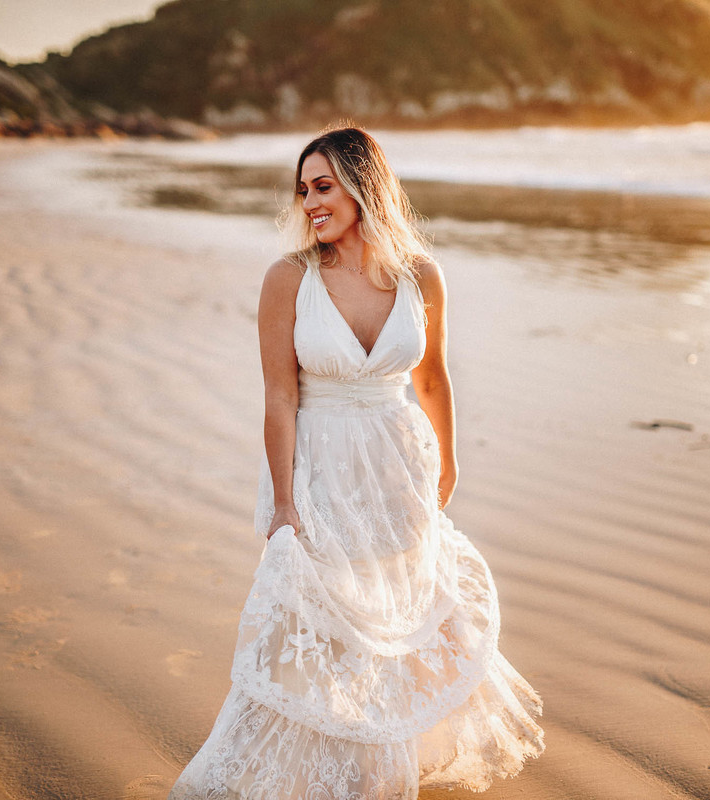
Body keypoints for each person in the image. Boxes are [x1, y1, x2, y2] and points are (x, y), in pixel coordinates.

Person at [167, 127, 544, 800]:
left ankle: (378, 772)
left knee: (393, 622)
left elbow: (431, 379)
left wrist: (447, 465)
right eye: (303, 190)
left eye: (323, 186)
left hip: (399, 466)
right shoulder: (288, 278)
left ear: (363, 185)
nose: (310, 202)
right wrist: (284, 504)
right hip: (320, 469)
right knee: (327, 626)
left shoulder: (421, 275)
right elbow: (280, 398)